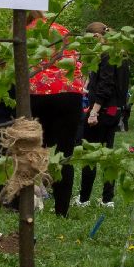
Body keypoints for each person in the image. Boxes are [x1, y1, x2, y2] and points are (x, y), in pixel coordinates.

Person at [26, 11, 86, 216]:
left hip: (37, 94)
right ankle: (62, 209)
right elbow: (78, 64)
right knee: (64, 153)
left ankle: (25, 203)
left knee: (31, 151)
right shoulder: (62, 30)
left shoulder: (24, 32)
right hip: (69, 95)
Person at [76, 21, 130, 208]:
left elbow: (105, 86)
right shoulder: (121, 54)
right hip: (115, 111)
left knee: (90, 154)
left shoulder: (106, 55)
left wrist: (94, 112)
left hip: (102, 111)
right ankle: (108, 199)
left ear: (97, 37)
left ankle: (83, 198)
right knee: (108, 155)